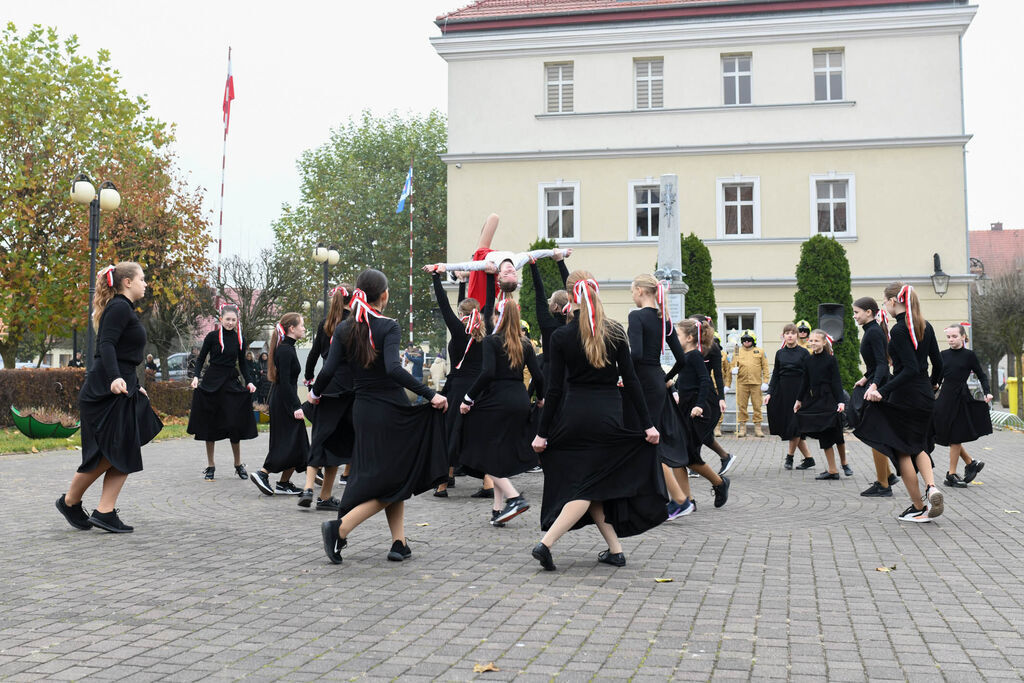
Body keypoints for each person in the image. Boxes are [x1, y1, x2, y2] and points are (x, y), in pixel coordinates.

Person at [530, 272, 665, 572]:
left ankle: (612, 550)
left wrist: (542, 432)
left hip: (574, 412)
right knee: (591, 483)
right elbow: (631, 381)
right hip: (608, 414)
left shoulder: (561, 336)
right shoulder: (615, 331)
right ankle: (547, 544)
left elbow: (553, 390)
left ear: (571, 298)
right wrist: (648, 425)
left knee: (591, 483)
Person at [319, 269, 449, 565]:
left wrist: (314, 395)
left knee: (395, 474)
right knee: (395, 478)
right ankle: (340, 529)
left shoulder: (343, 329)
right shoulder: (388, 326)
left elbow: (327, 371)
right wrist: (431, 394)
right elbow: (393, 369)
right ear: (385, 296)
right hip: (391, 411)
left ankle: (399, 543)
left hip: (362, 412)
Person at [56, 262, 163, 533]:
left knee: (121, 450)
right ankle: (71, 502)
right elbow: (106, 345)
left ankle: (102, 511)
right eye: (142, 278)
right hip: (105, 390)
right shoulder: (118, 307)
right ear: (127, 282)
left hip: (120, 387)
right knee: (108, 452)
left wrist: (134, 383)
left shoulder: (124, 309)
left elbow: (126, 353)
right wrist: (116, 378)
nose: (145, 283)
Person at [855, 283, 945, 522]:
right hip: (925, 395)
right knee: (920, 445)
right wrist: (933, 385)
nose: (884, 305)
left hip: (906, 397)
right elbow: (938, 364)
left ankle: (918, 506)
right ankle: (932, 487)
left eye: (884, 301)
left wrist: (882, 391)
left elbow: (909, 369)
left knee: (902, 451)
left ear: (894, 301)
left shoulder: (899, 330)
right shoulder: (926, 325)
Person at [459, 297, 543, 526]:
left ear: (498, 316)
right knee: (498, 455)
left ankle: (514, 498)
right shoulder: (525, 343)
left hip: (497, 400)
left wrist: (468, 398)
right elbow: (539, 375)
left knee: (480, 452)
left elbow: (487, 373)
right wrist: (542, 398)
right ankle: (498, 510)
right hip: (520, 399)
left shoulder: (492, 341)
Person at [625, 275, 693, 520]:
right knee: (649, 440)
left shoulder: (636, 316)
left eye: (632, 291)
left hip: (642, 382)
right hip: (656, 381)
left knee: (647, 441)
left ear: (641, 290)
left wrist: (622, 374)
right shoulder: (663, 319)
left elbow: (636, 354)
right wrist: (667, 378)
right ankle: (653, 496)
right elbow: (682, 359)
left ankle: (679, 499)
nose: (632, 295)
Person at [428, 269, 495, 497]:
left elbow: (443, 304)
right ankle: (488, 483)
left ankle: (444, 482)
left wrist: (437, 277)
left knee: (451, 433)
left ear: (461, 314)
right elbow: (490, 299)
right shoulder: (486, 328)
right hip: (479, 390)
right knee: (477, 434)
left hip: (457, 389)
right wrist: (488, 276)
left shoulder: (458, 332)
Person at [187, 304, 258, 481]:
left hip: (230, 382)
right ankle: (210, 466)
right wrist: (196, 377)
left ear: (237, 321)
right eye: (227, 319)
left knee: (234, 424)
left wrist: (249, 381)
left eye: (233, 320)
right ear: (221, 319)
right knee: (209, 426)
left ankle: (238, 464)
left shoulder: (240, 339)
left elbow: (243, 364)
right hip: (211, 383)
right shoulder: (212, 337)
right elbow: (201, 358)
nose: (230, 322)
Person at [424, 213, 571, 298]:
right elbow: (537, 253)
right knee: (492, 220)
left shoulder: (491, 266)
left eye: (507, 273)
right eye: (513, 272)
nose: (510, 269)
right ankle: (458, 275)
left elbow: (467, 264)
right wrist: (560, 252)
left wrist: (440, 266)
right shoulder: (517, 262)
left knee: (493, 218)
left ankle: (456, 273)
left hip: (482, 255)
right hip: (490, 254)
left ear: (499, 276)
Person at [299, 285, 354, 509]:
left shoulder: (326, 324)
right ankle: (325, 496)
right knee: (339, 444)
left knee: (320, 439)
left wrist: (310, 378)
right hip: (348, 390)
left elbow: (313, 354)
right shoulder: (355, 323)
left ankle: (308, 488)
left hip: (325, 387)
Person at [670, 319, 732, 509]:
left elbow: (705, 381)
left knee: (687, 455)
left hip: (702, 407)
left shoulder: (696, 356)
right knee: (678, 455)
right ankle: (687, 500)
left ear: (689, 338)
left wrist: (699, 406)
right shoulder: (684, 356)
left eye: (677, 335)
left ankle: (720, 483)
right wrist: (667, 384)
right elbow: (678, 377)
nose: (674, 339)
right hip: (687, 406)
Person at [248, 314, 308, 496]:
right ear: (292, 328)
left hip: (284, 400)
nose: (304, 328)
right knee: (286, 442)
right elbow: (284, 382)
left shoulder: (288, 349)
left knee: (297, 444)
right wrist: (296, 406)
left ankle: (283, 483)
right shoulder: (285, 351)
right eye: (302, 325)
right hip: (283, 402)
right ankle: (263, 473)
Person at [850, 298, 899, 496]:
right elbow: (874, 365)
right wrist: (865, 378)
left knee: (874, 434)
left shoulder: (874, 332)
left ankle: (884, 485)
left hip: (879, 389)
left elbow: (882, 364)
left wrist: (875, 385)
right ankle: (887, 476)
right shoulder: (871, 331)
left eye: (856, 312)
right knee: (872, 432)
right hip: (873, 383)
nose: (854, 316)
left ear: (869, 312)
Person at [934, 323, 991, 488]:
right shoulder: (942, 355)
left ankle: (951, 474)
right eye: (948, 337)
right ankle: (970, 462)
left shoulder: (969, 356)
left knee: (955, 436)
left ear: (963, 337)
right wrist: (931, 388)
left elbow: (981, 375)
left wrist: (987, 392)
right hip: (944, 399)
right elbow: (937, 378)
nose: (951, 340)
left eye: (954, 336)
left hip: (961, 398)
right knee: (946, 434)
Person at [793, 330, 847, 480]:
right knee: (824, 434)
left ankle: (844, 463)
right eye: (811, 341)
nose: (813, 343)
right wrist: (799, 400)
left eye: (817, 341)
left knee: (836, 433)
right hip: (816, 401)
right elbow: (805, 382)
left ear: (824, 343)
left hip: (830, 400)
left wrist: (841, 401)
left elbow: (836, 382)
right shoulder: (808, 361)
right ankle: (832, 470)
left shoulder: (831, 360)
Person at [763, 323, 813, 470]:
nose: (790, 335)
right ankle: (809, 459)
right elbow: (776, 375)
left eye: (793, 333)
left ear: (797, 335)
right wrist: (769, 393)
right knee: (792, 427)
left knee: (795, 426)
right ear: (783, 336)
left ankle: (789, 457)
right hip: (783, 392)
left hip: (799, 391)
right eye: (787, 333)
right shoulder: (780, 353)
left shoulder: (804, 353)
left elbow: (809, 375)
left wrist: (808, 394)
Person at [728, 330, 769, 437]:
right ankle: (742, 428)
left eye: (749, 340)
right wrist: (733, 370)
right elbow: (731, 366)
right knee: (742, 406)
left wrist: (765, 382)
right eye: (744, 340)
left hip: (756, 383)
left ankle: (758, 428)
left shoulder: (760, 351)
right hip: (742, 383)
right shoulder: (737, 352)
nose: (746, 342)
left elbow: (765, 368)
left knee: (757, 405)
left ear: (753, 341)